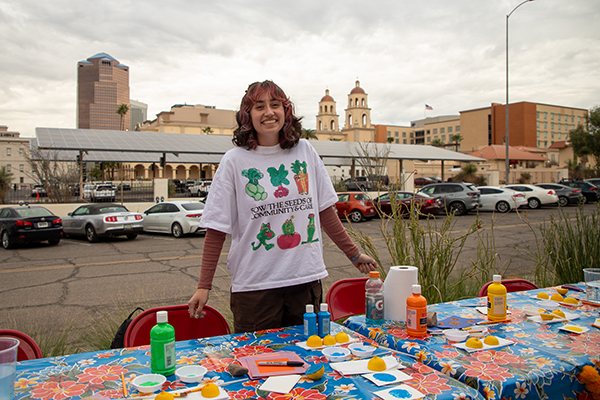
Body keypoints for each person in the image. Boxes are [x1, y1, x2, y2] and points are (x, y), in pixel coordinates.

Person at [188, 80, 377, 333]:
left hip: (304, 281)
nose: (268, 112)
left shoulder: (305, 151)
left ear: (285, 110)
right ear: (248, 115)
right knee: (259, 362)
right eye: (259, 106)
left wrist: (353, 254)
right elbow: (216, 228)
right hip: (255, 288)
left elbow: (323, 210)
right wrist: (204, 286)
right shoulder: (234, 161)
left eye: (275, 105)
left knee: (308, 359)